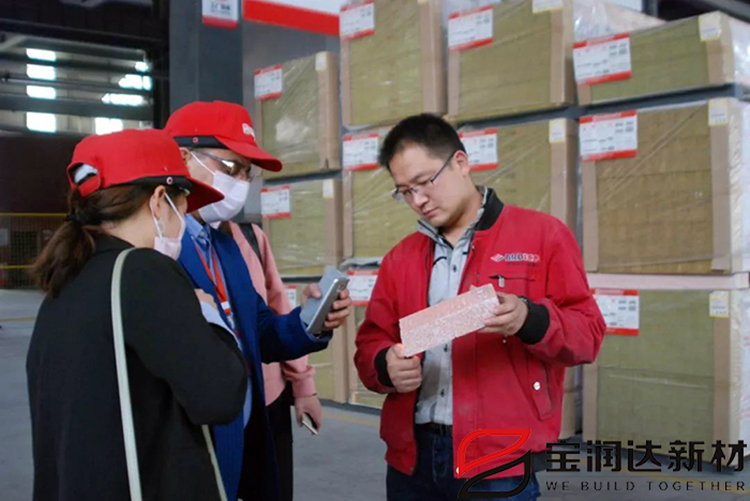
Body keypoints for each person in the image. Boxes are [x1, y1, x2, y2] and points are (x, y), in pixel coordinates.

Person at [354, 114, 606, 501]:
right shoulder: (400, 259)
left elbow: (587, 335)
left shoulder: (542, 236)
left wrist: (530, 319)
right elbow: (371, 342)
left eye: (424, 182)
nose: (418, 200)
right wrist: (385, 364)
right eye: (404, 191)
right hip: (412, 458)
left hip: (498, 459)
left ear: (460, 162)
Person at [27, 129, 249, 501]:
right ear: (160, 200)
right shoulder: (144, 271)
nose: (182, 224)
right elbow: (221, 396)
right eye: (183, 208)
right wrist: (209, 318)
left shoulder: (65, 282)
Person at [164, 100, 352, 501]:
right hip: (192, 447)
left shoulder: (224, 242)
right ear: (183, 159)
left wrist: (308, 322)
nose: (240, 183)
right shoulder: (159, 250)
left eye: (247, 173)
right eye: (231, 168)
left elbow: (259, 329)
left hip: (245, 432)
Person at [232, 221, 322, 501]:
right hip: (218, 407)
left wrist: (304, 386)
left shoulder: (249, 237)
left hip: (269, 397)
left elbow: (275, 311)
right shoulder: (170, 241)